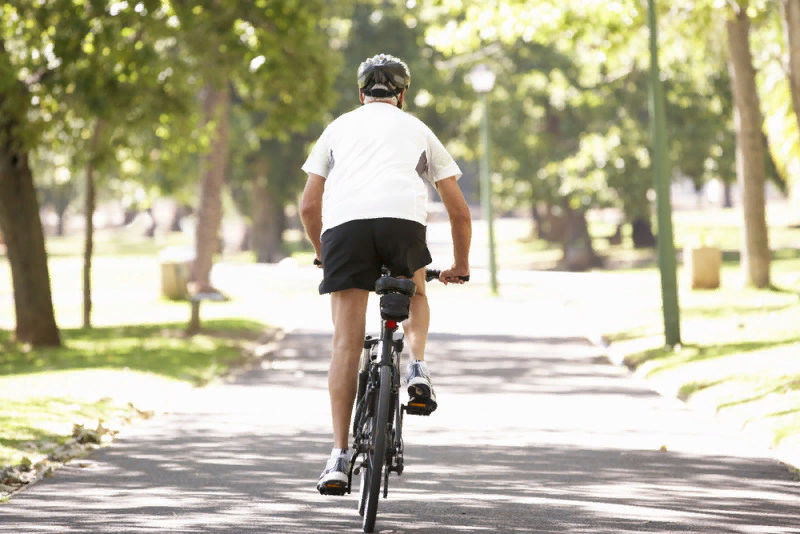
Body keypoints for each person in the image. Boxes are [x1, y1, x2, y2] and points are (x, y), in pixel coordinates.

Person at [299, 53, 472, 495]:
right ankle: (415, 366)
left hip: (344, 231)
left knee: (345, 343)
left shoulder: (337, 129)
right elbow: (458, 211)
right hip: (402, 225)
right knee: (414, 293)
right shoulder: (418, 130)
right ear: (402, 94)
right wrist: (460, 265)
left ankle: (338, 457)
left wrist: (324, 254)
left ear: (361, 94)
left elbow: (308, 206)